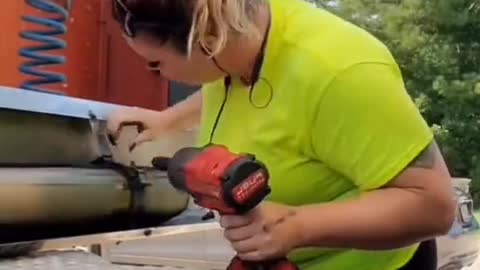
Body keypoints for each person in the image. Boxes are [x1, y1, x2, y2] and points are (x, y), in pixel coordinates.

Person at [107, 0, 457, 269]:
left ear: (209, 41)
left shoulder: (341, 73)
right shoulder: (246, 32)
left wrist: (297, 226)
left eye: (156, 64)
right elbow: (237, 83)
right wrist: (167, 121)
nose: (157, 75)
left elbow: (434, 206)